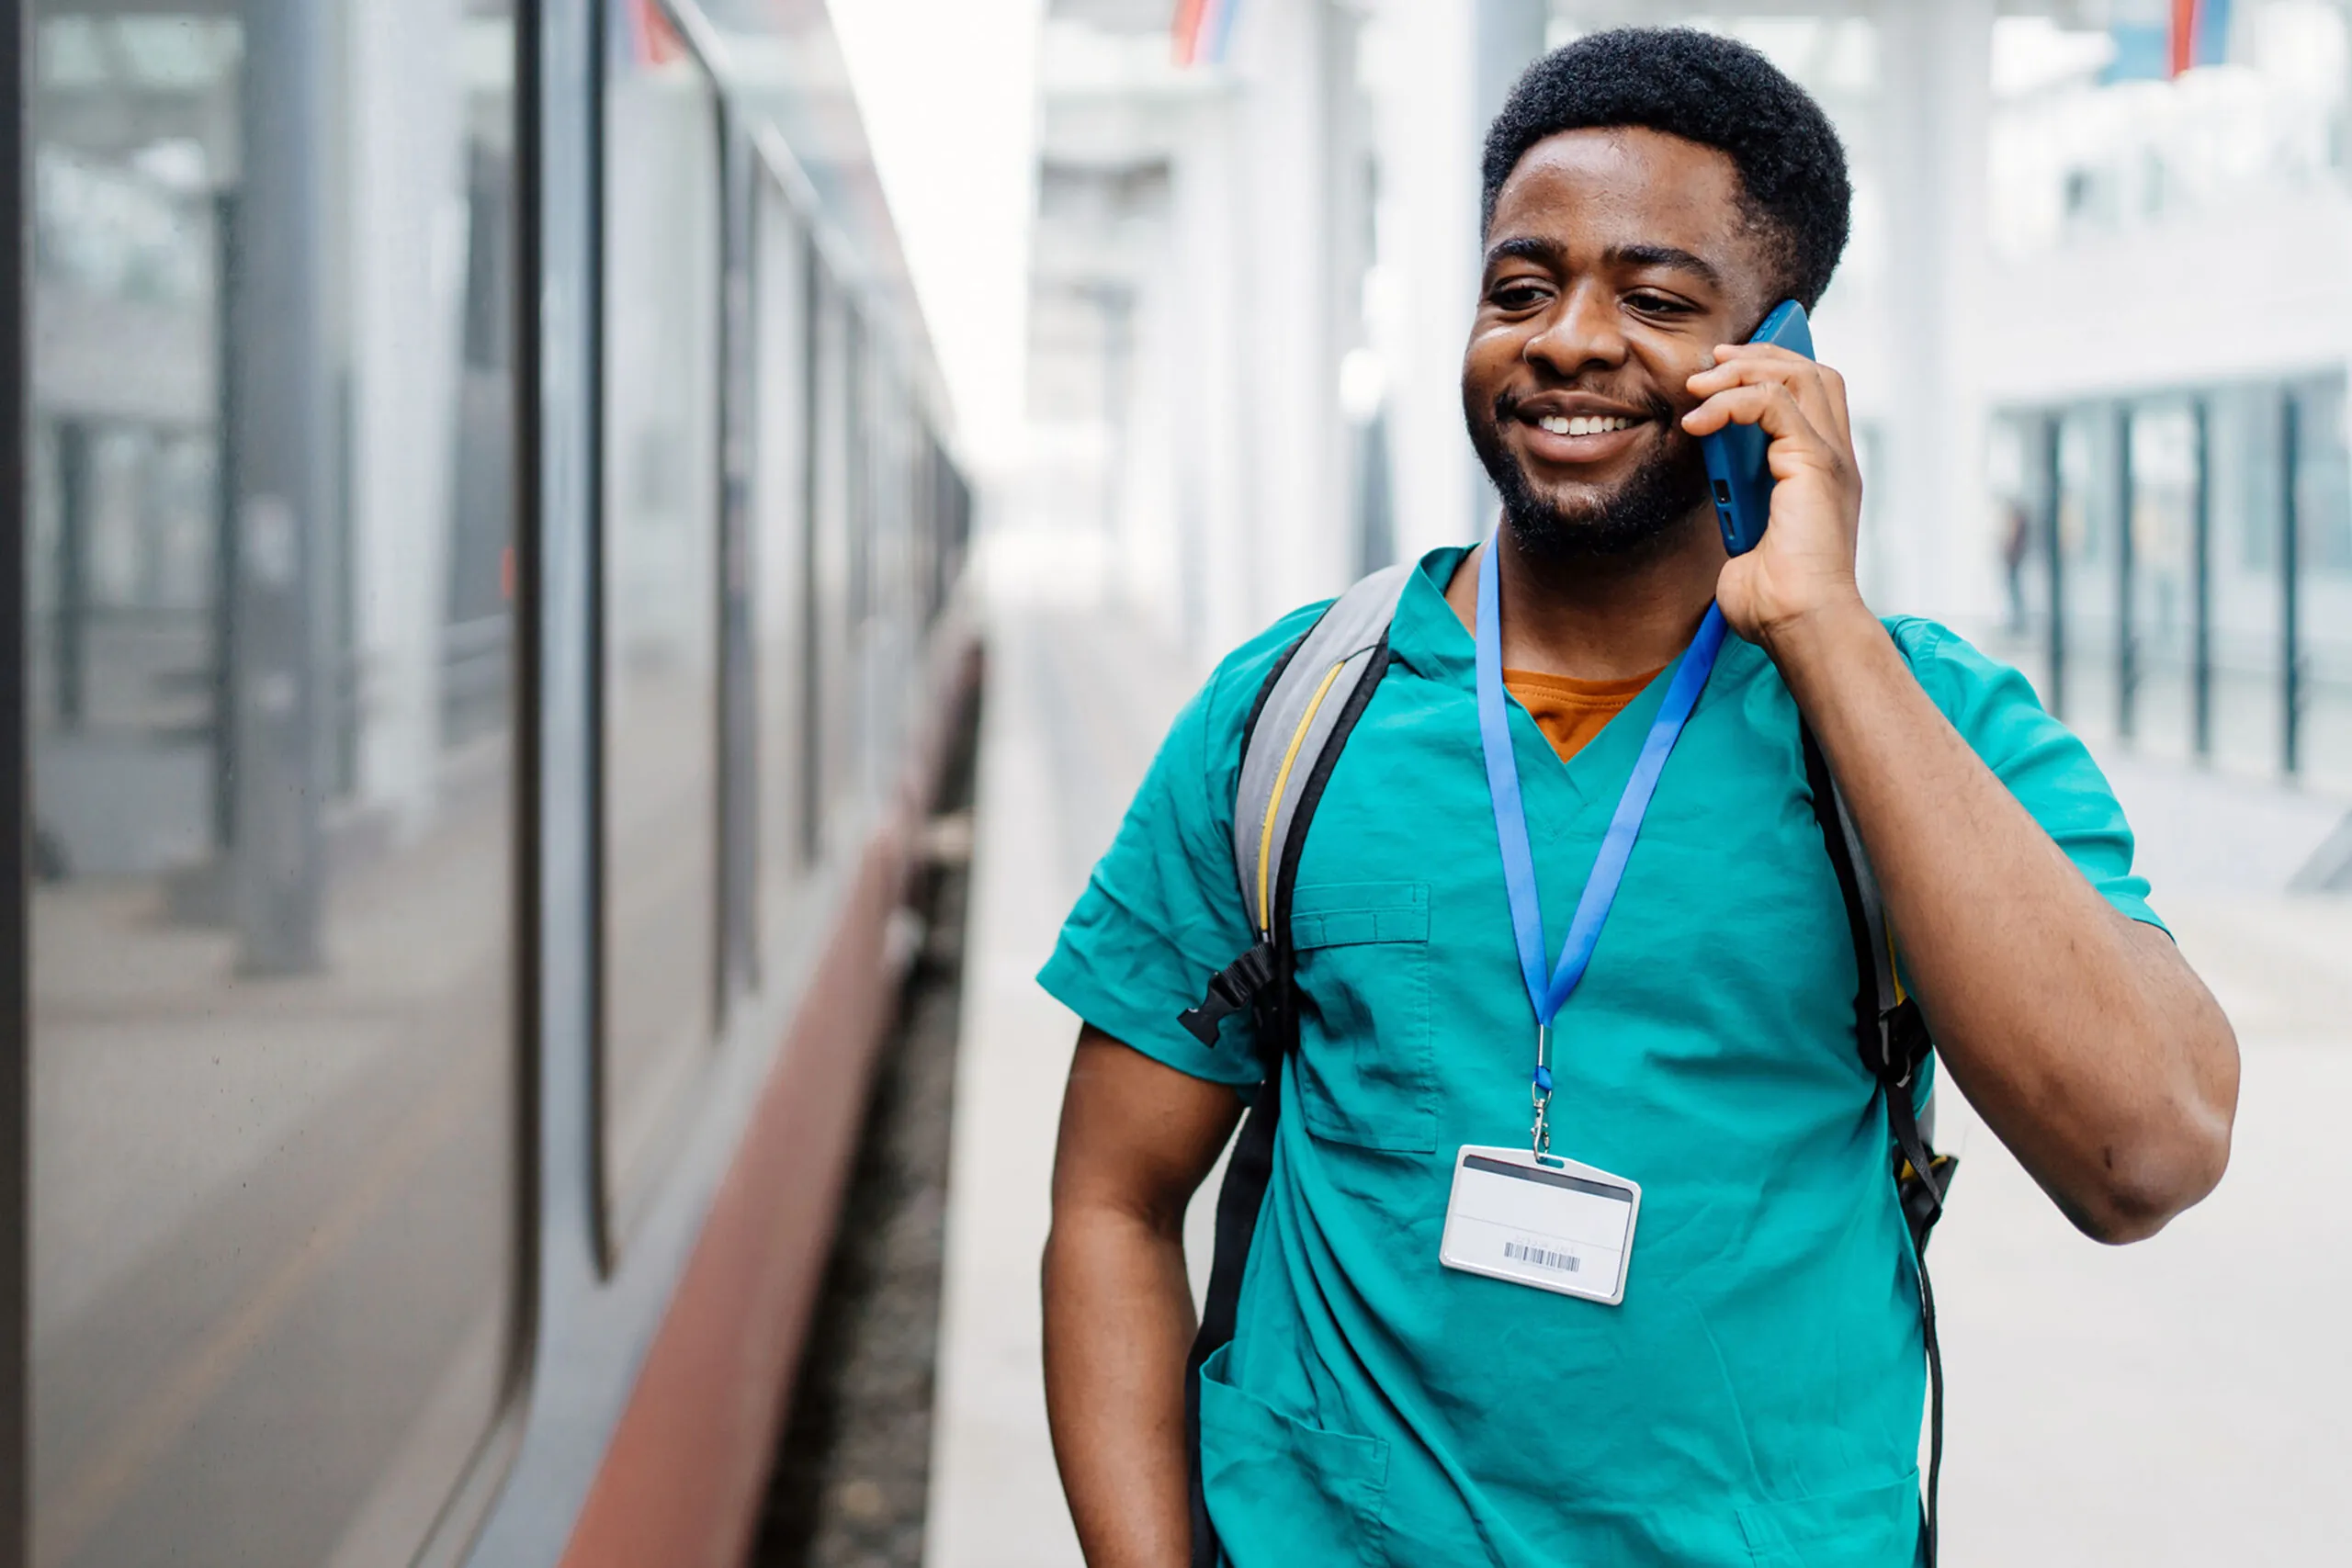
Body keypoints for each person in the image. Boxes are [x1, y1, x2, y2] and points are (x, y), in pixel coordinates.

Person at [1037, 28, 2237, 1568]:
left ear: (1785, 351)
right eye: (1520, 287)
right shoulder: (1291, 715)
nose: (1566, 341)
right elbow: (1112, 1204)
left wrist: (1820, 625)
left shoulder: (1929, 722)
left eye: (1657, 299)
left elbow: (2146, 1150)